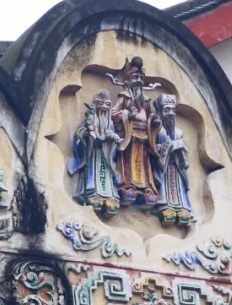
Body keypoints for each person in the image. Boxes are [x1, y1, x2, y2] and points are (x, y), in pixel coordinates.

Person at [110, 57, 160, 207]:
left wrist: (155, 121)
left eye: (140, 78)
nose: (138, 81)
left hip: (144, 138)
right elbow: (114, 113)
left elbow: (153, 114)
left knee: (145, 165)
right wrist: (127, 115)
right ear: (129, 80)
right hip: (129, 136)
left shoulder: (146, 100)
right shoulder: (124, 97)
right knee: (127, 162)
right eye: (135, 77)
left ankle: (147, 189)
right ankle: (127, 186)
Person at [69, 89, 122, 216]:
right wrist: (87, 135)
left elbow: (113, 142)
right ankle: (92, 194)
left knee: (107, 176)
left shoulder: (110, 124)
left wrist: (112, 138)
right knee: (93, 175)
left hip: (106, 156)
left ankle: (110, 197)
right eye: (100, 103)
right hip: (93, 154)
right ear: (95, 105)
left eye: (107, 104)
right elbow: (80, 135)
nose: (104, 107)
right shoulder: (89, 120)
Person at [152, 94, 193, 225]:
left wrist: (180, 148)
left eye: (173, 110)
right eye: (167, 110)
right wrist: (164, 148)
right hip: (164, 166)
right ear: (160, 112)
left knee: (179, 188)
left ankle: (183, 209)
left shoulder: (179, 132)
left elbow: (183, 151)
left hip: (176, 166)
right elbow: (153, 149)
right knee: (165, 188)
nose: (171, 113)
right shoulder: (158, 131)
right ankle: (166, 208)